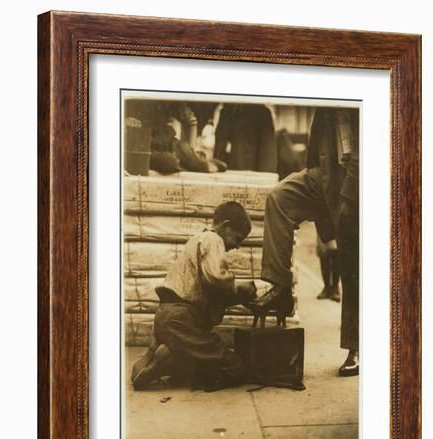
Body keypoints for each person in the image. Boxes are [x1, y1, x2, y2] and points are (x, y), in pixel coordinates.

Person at [250, 107, 359, 377]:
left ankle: (356, 348)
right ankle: (280, 287)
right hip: (325, 176)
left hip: (359, 181)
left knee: (353, 266)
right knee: (279, 198)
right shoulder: (328, 103)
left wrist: (348, 197)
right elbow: (316, 149)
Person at [131, 201, 257, 391]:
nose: (236, 246)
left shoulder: (196, 240)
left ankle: (158, 357)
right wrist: (239, 289)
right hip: (181, 319)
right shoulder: (213, 240)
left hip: (165, 316)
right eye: (237, 239)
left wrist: (237, 297)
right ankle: (166, 360)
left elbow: (209, 290)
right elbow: (217, 279)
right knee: (233, 365)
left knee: (190, 358)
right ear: (226, 225)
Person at [316, 235, 340, 302]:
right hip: (323, 227)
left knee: (336, 252)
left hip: (336, 228)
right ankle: (327, 288)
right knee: (323, 252)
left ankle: (335, 288)